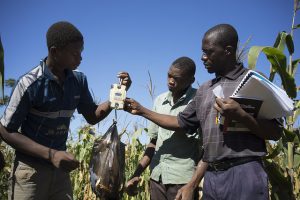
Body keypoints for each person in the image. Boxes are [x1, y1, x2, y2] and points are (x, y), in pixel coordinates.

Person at [125, 24, 282, 200]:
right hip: (212, 178)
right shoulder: (205, 90)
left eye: (209, 52)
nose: (203, 57)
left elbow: (276, 132)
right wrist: (141, 110)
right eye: (203, 51)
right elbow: (179, 122)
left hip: (244, 172)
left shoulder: (253, 81)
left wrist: (242, 116)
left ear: (228, 51)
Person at [0, 21, 131, 200]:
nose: (80, 58)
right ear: (55, 51)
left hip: (60, 171)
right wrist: (51, 154)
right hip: (30, 172)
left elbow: (92, 116)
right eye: (75, 53)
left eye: (81, 52)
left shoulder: (78, 81)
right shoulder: (29, 84)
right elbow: (6, 131)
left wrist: (119, 95)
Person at [126, 57, 202, 200]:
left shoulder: (198, 99)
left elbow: (180, 123)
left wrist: (142, 110)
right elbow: (153, 143)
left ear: (191, 80)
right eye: (169, 75)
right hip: (157, 177)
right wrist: (136, 173)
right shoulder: (160, 101)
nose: (171, 81)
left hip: (182, 180)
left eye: (177, 78)